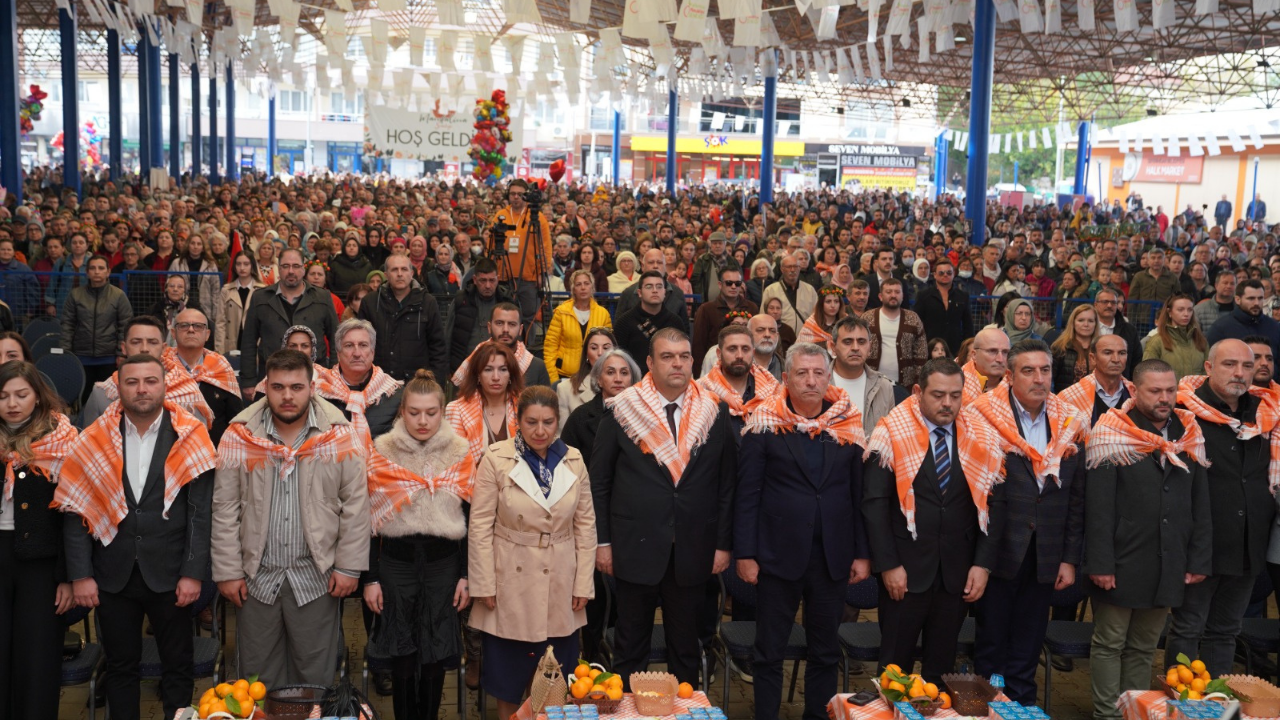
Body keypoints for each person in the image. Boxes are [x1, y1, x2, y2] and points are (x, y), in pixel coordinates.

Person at [55, 353, 217, 720]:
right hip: (112, 576)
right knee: (120, 670)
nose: (141, 389)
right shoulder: (92, 439)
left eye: (150, 381)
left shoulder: (191, 435)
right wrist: (81, 575)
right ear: (119, 389)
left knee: (178, 670)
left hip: (172, 576)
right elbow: (76, 511)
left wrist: (193, 572)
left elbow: (200, 512)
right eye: (132, 382)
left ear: (164, 385)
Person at [212, 349, 369, 688]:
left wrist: (348, 567)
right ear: (264, 387)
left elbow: (356, 505)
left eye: (297, 387)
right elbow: (224, 508)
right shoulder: (239, 436)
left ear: (312, 388)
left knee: (315, 679)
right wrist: (227, 571)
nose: (287, 396)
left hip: (316, 577)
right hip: (256, 580)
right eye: (279, 387)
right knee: (256, 680)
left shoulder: (339, 435)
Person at [590, 329, 737, 689]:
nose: (677, 363)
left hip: (693, 548)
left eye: (684, 356)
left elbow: (726, 484)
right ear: (650, 363)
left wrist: (722, 544)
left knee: (686, 649)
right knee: (630, 649)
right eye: (668, 356)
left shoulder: (714, 410)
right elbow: (599, 483)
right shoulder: (623, 409)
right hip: (634, 546)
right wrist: (602, 542)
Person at [736, 342, 870, 720]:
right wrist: (745, 553)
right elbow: (747, 496)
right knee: (769, 652)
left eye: (818, 373)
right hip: (777, 558)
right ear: (786, 378)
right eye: (802, 373)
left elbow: (858, 497)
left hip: (832, 559)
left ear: (829, 377)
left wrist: (862, 553)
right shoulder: (763, 425)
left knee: (825, 653)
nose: (811, 380)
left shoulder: (846, 424)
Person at [862, 358, 1006, 682]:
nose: (948, 404)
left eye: (956, 395)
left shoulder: (980, 436)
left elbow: (993, 507)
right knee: (894, 671)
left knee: (941, 673)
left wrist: (982, 565)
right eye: (939, 395)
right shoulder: (890, 433)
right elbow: (874, 505)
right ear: (917, 391)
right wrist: (888, 565)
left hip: (956, 575)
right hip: (904, 573)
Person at [1084, 359, 1211, 720]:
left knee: (1143, 647)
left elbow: (1200, 504)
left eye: (1170, 390)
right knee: (1110, 643)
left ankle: (1134, 712)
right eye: (1155, 391)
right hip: (1122, 560)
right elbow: (1098, 509)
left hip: (1169, 560)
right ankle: (1108, 714)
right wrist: (1101, 563)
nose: (1165, 398)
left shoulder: (1188, 432)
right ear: (1135, 391)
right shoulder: (1111, 431)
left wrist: (1198, 558)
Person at [966, 339, 1088, 705]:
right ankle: (985, 707)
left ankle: (1021, 708)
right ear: (1009, 375)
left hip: (1046, 554)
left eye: (1045, 370)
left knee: (1029, 641)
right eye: (1028, 370)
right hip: (998, 551)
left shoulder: (1070, 420)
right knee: (991, 642)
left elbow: (1076, 499)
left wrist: (1069, 557)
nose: (1039, 378)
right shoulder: (982, 416)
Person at [468, 386, 596, 720]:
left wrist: (584, 582)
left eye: (548, 422)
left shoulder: (574, 460)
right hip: (510, 580)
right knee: (509, 684)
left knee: (554, 685)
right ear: (518, 422)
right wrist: (483, 585)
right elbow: (479, 527)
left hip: (561, 582)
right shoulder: (496, 458)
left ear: (558, 422)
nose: (540, 431)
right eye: (532, 422)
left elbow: (586, 527)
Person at [364, 369, 475, 720]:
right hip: (397, 562)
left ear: (443, 411)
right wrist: (370, 578)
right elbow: (366, 523)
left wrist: (466, 575)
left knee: (435, 654)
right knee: (402, 654)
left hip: (444, 562)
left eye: (431, 412)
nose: (422, 421)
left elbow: (473, 519)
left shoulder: (460, 452)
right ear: (402, 411)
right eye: (414, 412)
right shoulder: (382, 452)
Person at [1167, 340, 1278, 676]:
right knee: (1188, 629)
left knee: (1226, 631)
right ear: (1208, 367)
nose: (1240, 373)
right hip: (1200, 544)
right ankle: (1180, 703)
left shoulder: (1266, 411)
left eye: (1246, 366)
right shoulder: (1183, 412)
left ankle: (1213, 703)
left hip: (1247, 544)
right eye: (1230, 364)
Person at [0, 362, 77, 720]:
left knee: (37, 659)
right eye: (2, 396)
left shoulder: (61, 438)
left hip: (42, 563)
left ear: (38, 395)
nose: (11, 403)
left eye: (21, 394)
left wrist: (67, 576)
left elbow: (72, 515)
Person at [239, 248, 340, 398]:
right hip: (270, 377)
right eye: (285, 266)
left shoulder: (322, 297)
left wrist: (334, 376)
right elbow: (248, 341)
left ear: (303, 268)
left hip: (315, 379)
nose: (291, 271)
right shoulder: (260, 298)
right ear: (278, 269)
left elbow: (335, 338)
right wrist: (248, 381)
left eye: (296, 266)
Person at [82, 315, 212, 428]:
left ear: (163, 349)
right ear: (124, 348)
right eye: (136, 342)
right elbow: (89, 448)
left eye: (152, 342)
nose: (144, 349)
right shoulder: (102, 394)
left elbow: (198, 447)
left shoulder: (188, 392)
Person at [357, 254, 449, 384]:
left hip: (416, 383)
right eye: (394, 270)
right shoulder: (371, 302)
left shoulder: (428, 302)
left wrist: (436, 384)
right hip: (377, 382)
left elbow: (438, 347)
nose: (399, 274)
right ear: (386, 275)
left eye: (404, 269)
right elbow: (360, 343)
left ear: (411, 273)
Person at [313, 319, 404, 439]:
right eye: (349, 345)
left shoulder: (395, 394)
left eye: (363, 345)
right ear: (338, 354)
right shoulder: (318, 393)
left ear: (372, 352)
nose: (356, 353)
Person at [164, 309, 244, 444]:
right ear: (173, 333)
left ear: (207, 335)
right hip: (170, 455)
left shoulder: (221, 368)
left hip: (215, 456)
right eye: (184, 325)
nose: (191, 330)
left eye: (198, 326)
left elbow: (236, 419)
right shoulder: (161, 369)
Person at [60, 254, 133, 392]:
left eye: (101, 268)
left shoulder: (118, 295)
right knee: (84, 396)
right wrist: (66, 353)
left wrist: (121, 353)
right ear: (87, 272)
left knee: (108, 397)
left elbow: (125, 326)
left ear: (108, 272)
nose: (97, 271)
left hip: (109, 358)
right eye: (93, 268)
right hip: (81, 356)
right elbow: (67, 325)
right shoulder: (76, 295)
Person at [448, 341, 524, 471]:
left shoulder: (524, 407)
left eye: (503, 369)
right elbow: (455, 465)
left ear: (511, 374)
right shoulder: (457, 410)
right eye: (488, 370)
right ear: (478, 375)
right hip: (474, 486)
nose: (496, 377)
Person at [560, 348, 641, 467]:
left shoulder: (644, 415)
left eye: (624, 373)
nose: (618, 379)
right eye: (610, 372)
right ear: (599, 380)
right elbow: (565, 464)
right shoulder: (580, 417)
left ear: (632, 380)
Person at [487, 179, 553, 324]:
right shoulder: (500, 215)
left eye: (519, 194)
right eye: (512, 194)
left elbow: (545, 247)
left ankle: (525, 346)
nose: (515, 197)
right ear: (507, 195)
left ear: (526, 195)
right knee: (502, 318)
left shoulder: (538, 218)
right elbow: (490, 244)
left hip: (529, 278)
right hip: (504, 277)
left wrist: (542, 272)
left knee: (527, 319)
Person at [698, 325, 780, 436]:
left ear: (753, 353)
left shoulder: (773, 392)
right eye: (732, 349)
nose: (739, 355)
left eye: (745, 349)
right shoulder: (701, 392)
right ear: (719, 354)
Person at [828, 316, 901, 435]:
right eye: (847, 342)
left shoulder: (883, 386)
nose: (855, 348)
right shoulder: (819, 383)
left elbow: (890, 435)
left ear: (870, 347)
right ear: (833, 347)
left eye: (861, 342)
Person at [451, 302, 551, 388]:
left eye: (512, 324)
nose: (505, 330)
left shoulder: (537, 367)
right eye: (499, 323)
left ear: (520, 330)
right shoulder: (475, 361)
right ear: (489, 327)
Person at [544, 270, 613, 384]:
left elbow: (608, 348)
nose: (583, 287)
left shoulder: (603, 314)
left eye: (586, 283)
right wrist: (554, 380)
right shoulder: (561, 312)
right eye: (578, 284)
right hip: (564, 376)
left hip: (594, 375)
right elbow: (550, 349)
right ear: (573, 289)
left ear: (592, 287)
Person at [691, 266, 758, 377]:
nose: (733, 286)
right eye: (729, 283)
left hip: (745, 366)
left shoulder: (752, 308)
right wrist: (698, 378)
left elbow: (755, 338)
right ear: (720, 285)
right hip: (713, 366)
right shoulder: (706, 309)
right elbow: (698, 346)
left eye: (737, 283)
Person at [861, 278, 929, 388]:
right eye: (888, 292)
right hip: (871, 382)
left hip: (905, 384)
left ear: (902, 296)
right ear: (880, 296)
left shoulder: (913, 318)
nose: (893, 295)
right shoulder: (867, 318)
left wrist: (918, 380)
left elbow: (921, 354)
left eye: (897, 292)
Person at [449, 259, 514, 373]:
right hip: (463, 369)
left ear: (497, 279)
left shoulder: (507, 302)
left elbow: (516, 339)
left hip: (499, 369)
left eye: (492, 280)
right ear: (475, 279)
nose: (488, 285)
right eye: (483, 280)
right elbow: (447, 336)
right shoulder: (461, 300)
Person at [614, 271, 690, 366]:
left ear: (665, 292)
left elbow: (683, 355)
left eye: (659, 286)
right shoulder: (624, 322)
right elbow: (618, 359)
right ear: (639, 292)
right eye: (649, 287)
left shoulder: (675, 322)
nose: (655, 290)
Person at [1058, 335, 1135, 425]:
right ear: (1093, 358)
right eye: (1108, 353)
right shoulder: (1070, 397)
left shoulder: (1135, 395)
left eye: (1122, 353)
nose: (1116, 359)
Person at [1207, 280, 1280, 365]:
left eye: (1260, 298)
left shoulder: (1274, 326)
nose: (1256, 303)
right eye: (1251, 298)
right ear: (1238, 300)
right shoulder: (1220, 328)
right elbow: (1214, 363)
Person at [914, 258, 974, 357]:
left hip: (956, 347)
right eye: (941, 273)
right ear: (935, 275)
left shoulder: (963, 296)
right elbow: (917, 323)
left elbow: (968, 324)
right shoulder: (923, 295)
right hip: (930, 346)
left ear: (954, 274)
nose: (945, 275)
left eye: (949, 272)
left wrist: (969, 346)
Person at [1143, 294, 1209, 379]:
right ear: (1169, 312)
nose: (1186, 314)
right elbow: (1148, 374)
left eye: (1190, 310)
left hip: (1196, 392)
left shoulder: (1201, 340)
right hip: (1168, 391)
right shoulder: (1156, 341)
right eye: (1180, 310)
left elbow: (1207, 372)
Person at [557, 327, 615, 420]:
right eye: (594, 348)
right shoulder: (565, 389)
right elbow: (561, 433)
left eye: (606, 348)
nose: (600, 353)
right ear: (586, 354)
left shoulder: (628, 388)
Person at [216, 252, 264, 356]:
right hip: (232, 340)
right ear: (234, 267)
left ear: (252, 266)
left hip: (254, 340)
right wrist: (219, 350)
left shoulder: (262, 290)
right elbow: (221, 322)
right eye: (238, 264)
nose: (242, 268)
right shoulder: (226, 290)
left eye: (246, 264)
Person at [761, 254, 817, 334]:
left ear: (799, 268)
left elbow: (816, 316)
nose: (792, 270)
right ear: (782, 269)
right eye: (789, 267)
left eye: (795, 266)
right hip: (780, 337)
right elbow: (763, 316)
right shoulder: (771, 290)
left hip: (805, 337)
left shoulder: (810, 290)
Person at [1094, 289, 1143, 379]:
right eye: (1105, 302)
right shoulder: (1088, 327)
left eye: (1113, 302)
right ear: (1096, 304)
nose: (1109, 305)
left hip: (1121, 383)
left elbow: (1136, 361)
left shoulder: (1129, 330)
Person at [1050, 305, 1098, 392]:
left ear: (1095, 324)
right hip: (1064, 402)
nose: (1086, 324)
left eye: (1090, 321)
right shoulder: (1060, 348)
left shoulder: (1101, 348)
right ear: (1073, 323)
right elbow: (1050, 380)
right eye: (1081, 320)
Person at [1128, 248, 1181, 327]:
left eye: (1159, 258)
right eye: (1153, 258)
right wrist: (1131, 321)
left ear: (1164, 260)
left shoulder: (1172, 277)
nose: (1156, 261)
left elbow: (1177, 299)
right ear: (1148, 261)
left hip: (1165, 320)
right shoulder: (1139, 276)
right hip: (1143, 320)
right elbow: (1132, 299)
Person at [749, 313, 785, 381]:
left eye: (772, 331)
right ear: (748, 334)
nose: (767, 335)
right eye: (760, 330)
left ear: (777, 336)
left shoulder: (787, 368)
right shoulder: (738, 366)